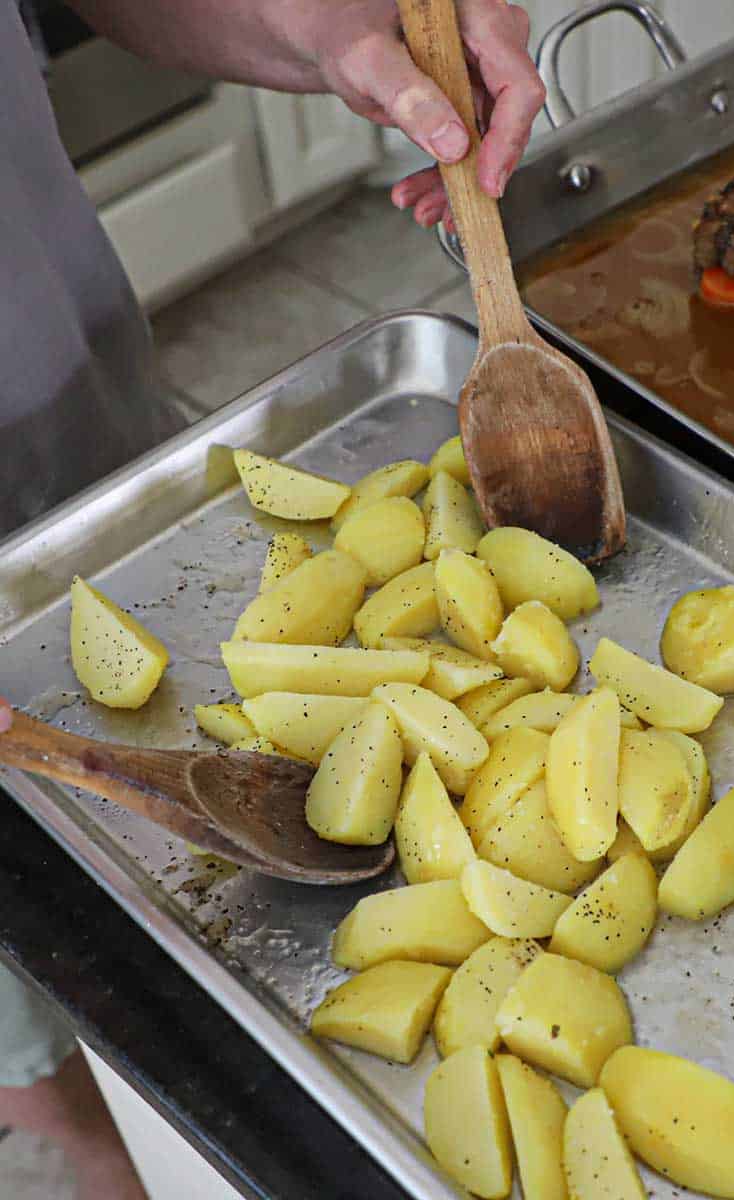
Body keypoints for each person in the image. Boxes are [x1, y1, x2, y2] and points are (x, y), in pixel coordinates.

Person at [0, 1, 544, 1194]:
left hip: (86, 448)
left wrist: (326, 30)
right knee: (37, 1001)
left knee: (124, 1004)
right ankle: (93, 1142)